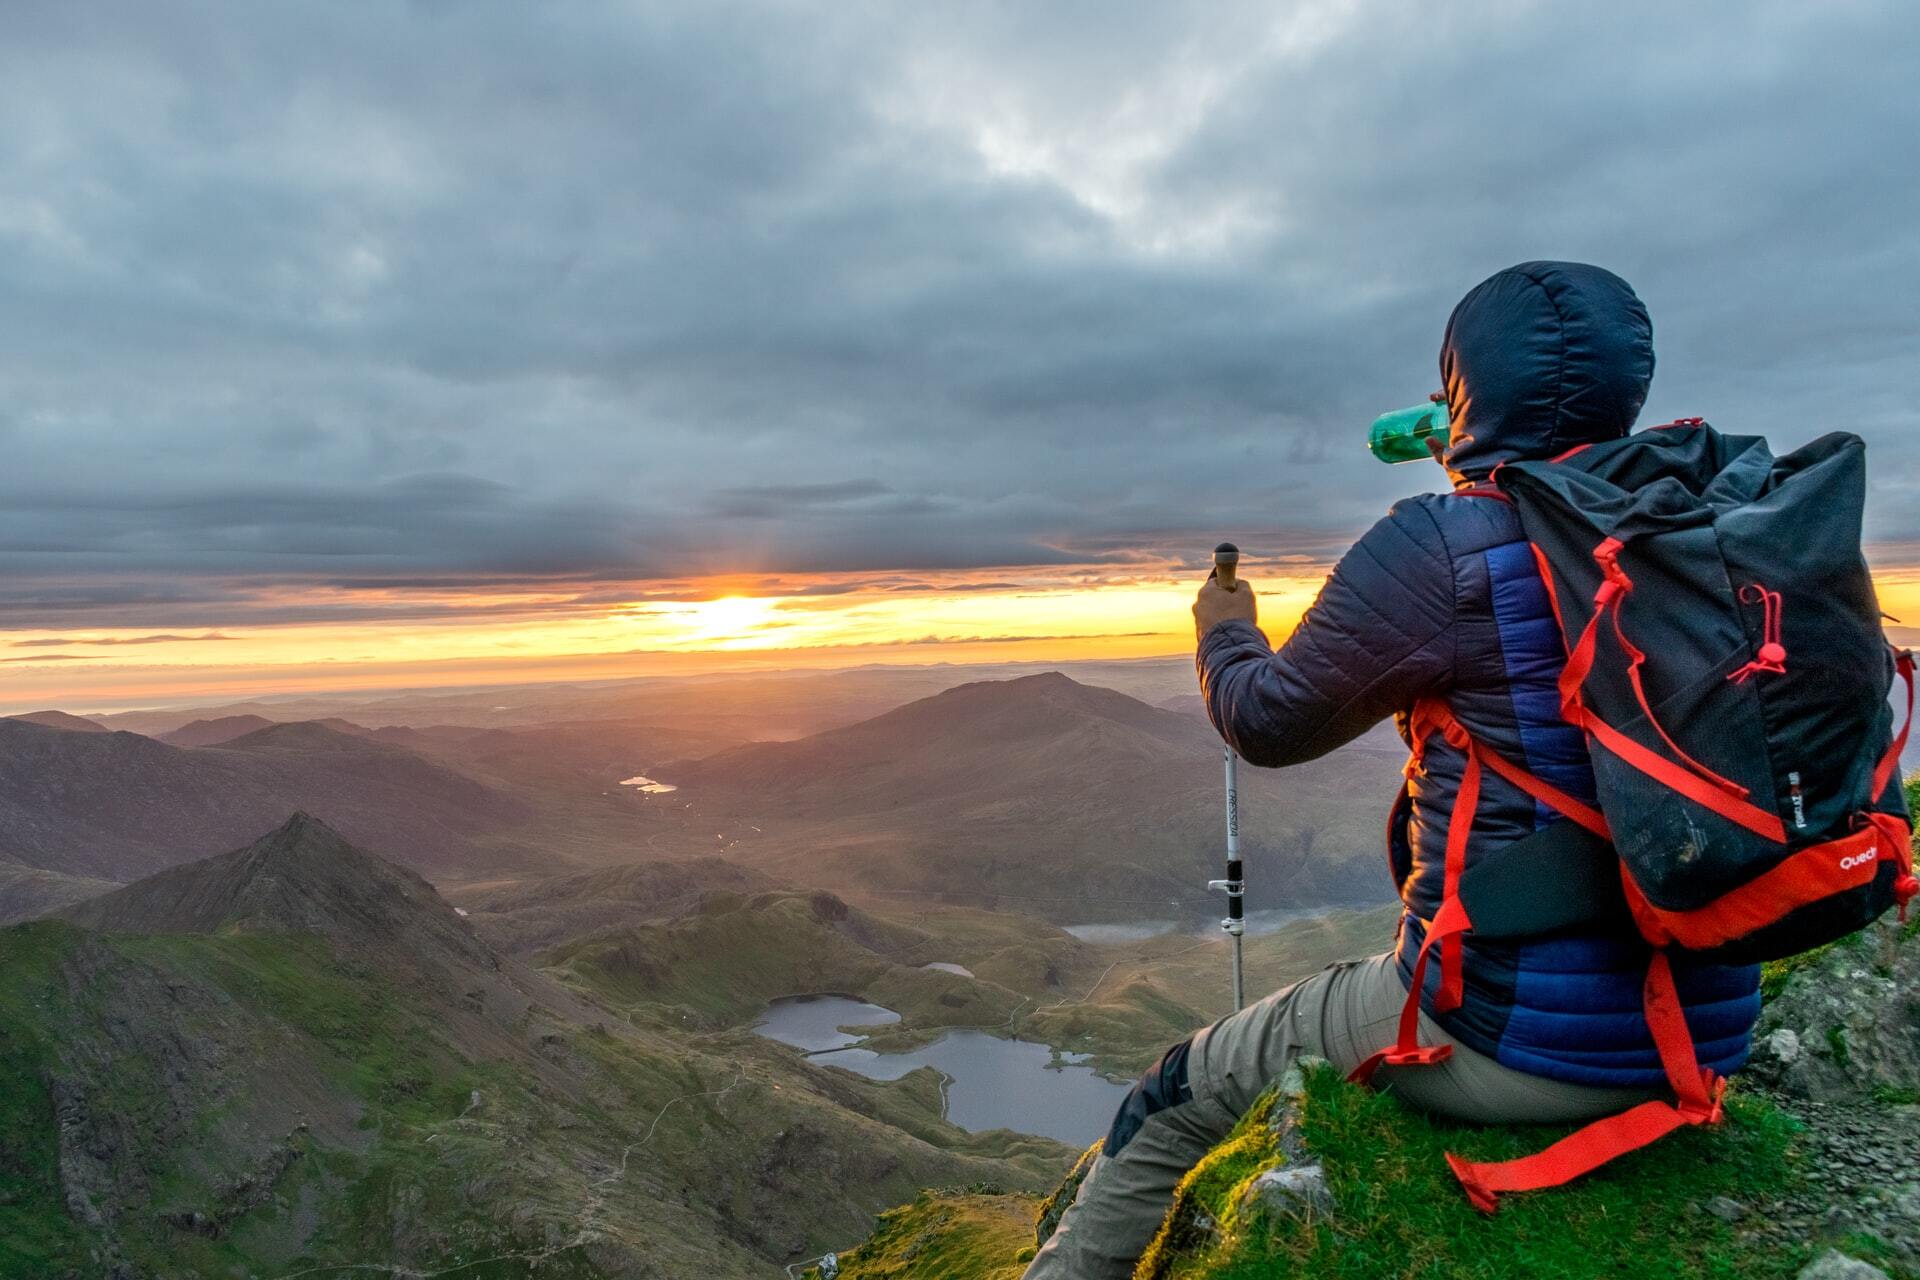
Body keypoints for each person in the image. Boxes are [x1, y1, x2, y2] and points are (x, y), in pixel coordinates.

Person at [1022, 262, 1763, 1280]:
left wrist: (1225, 632)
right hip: (1715, 1020)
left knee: (1176, 1086)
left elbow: (1267, 721)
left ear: (1466, 388)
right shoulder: (1711, 529)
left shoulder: (1445, 544)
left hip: (1515, 1041)